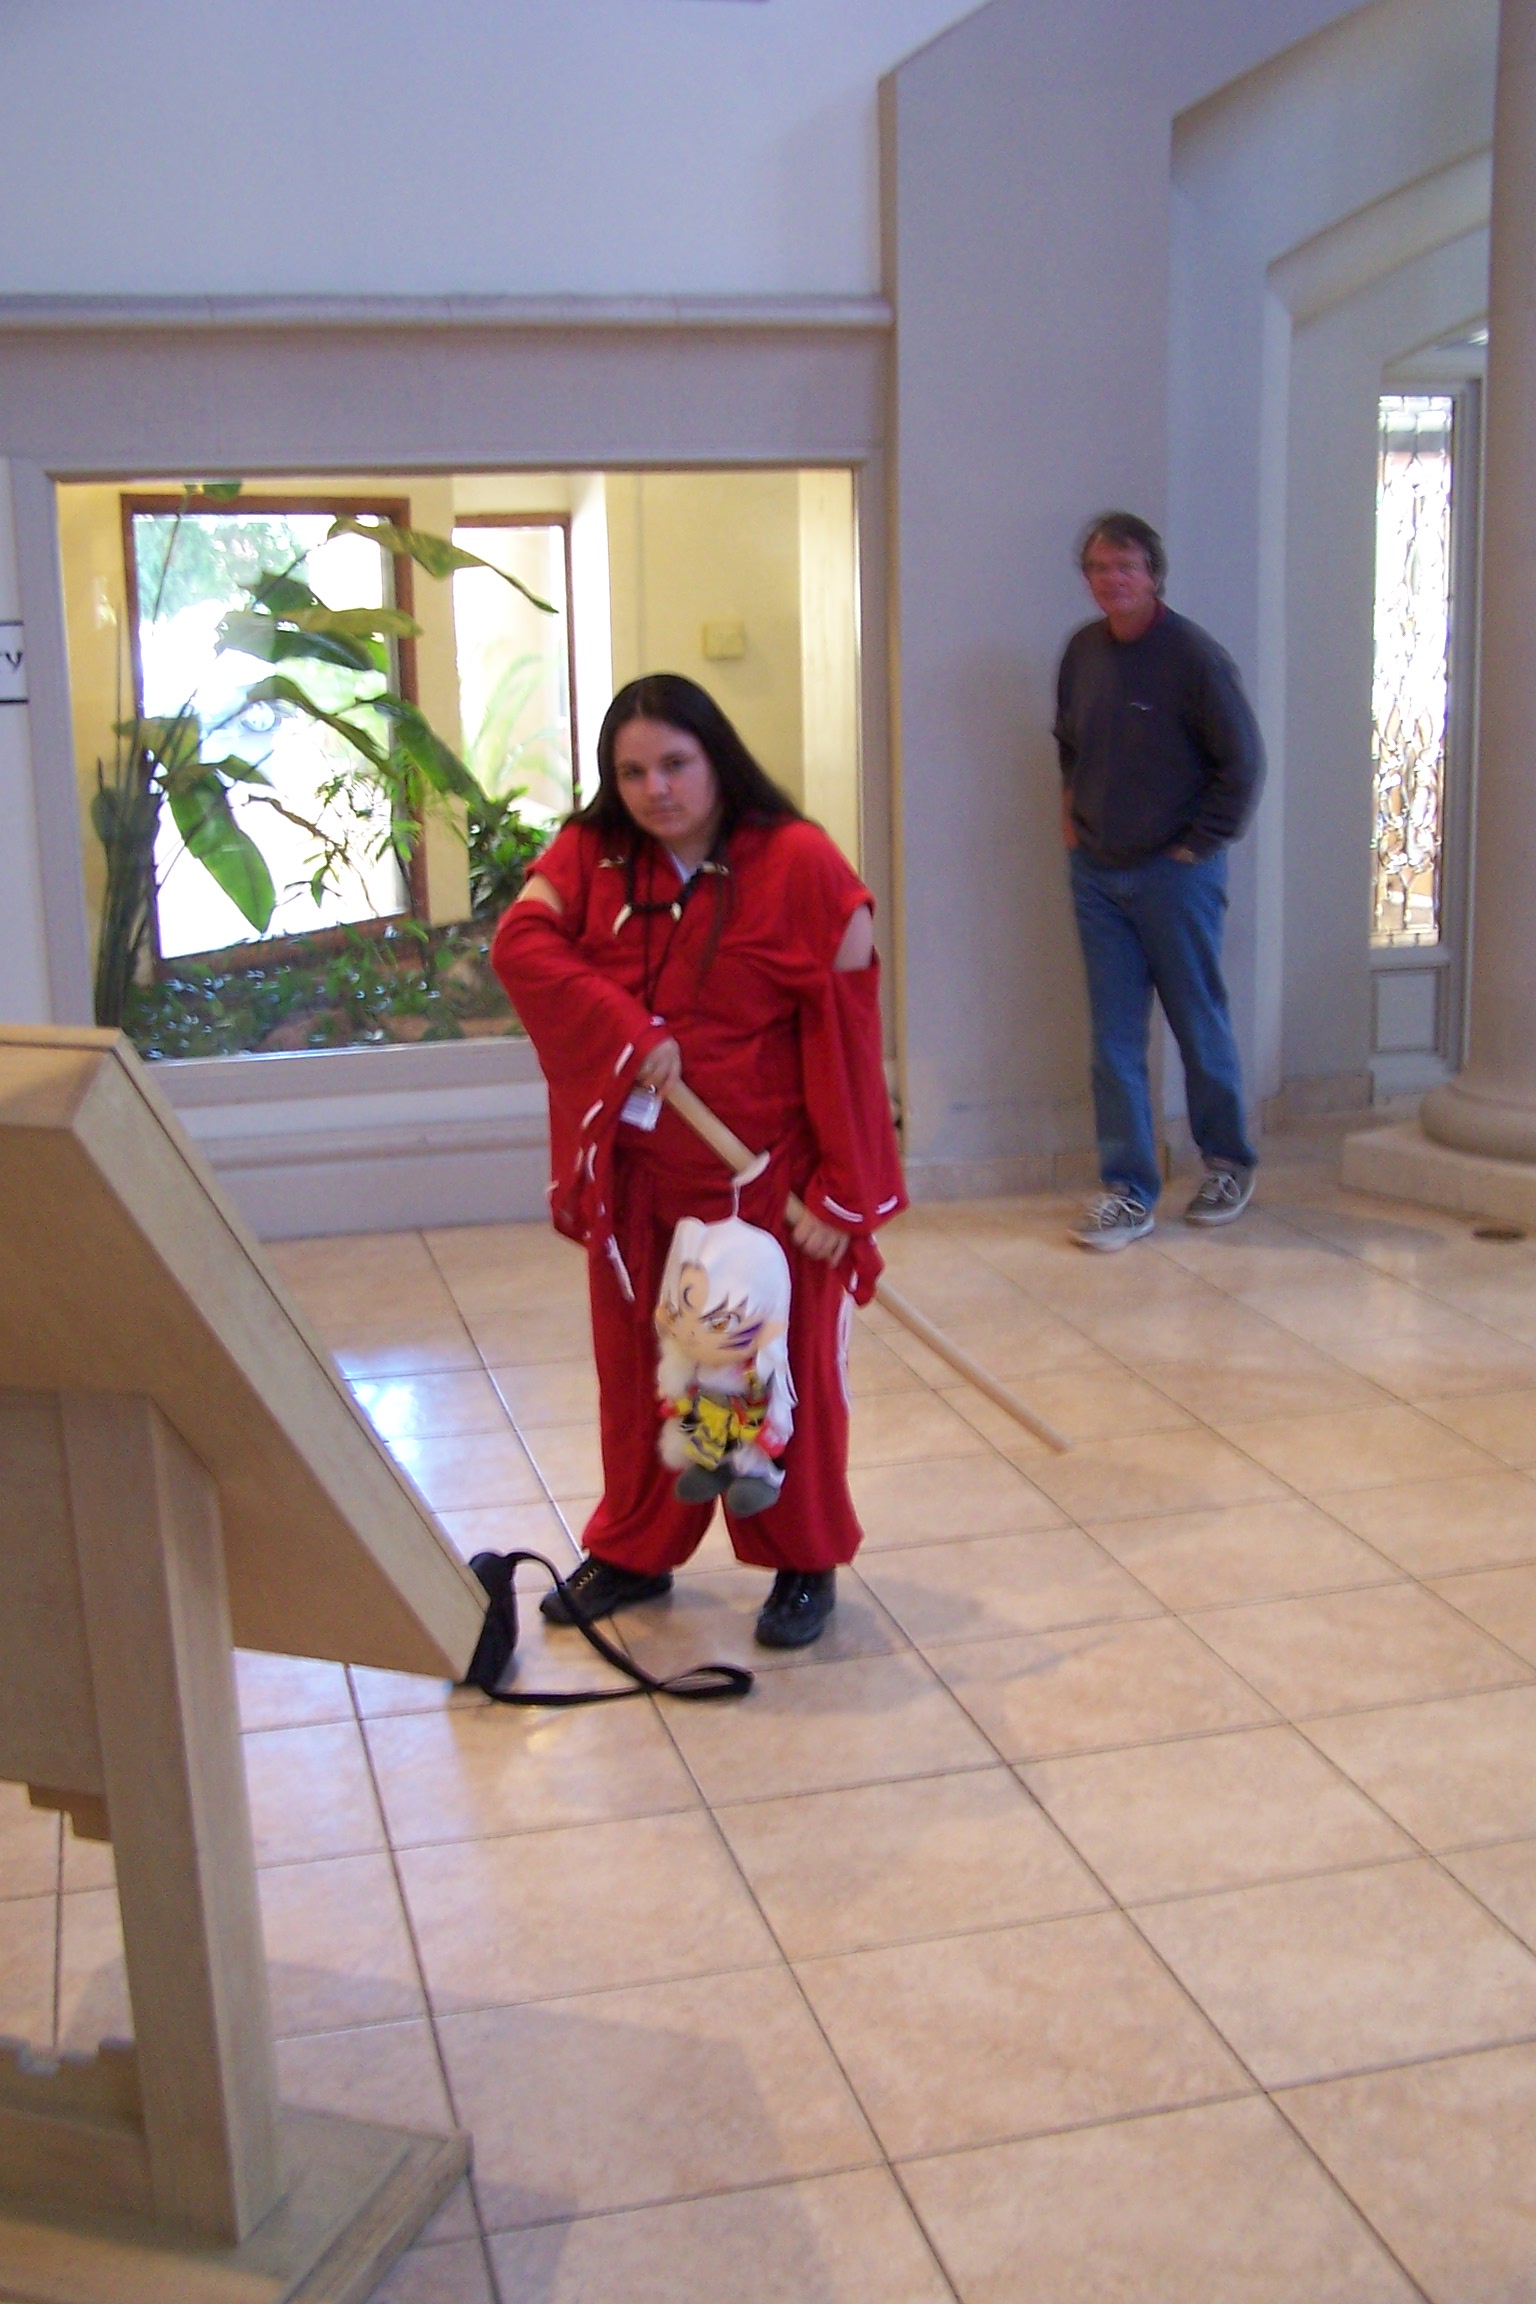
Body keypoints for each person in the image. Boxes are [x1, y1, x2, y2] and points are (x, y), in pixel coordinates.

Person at [492, 673, 905, 1648]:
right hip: (645, 1188)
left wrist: (841, 1193)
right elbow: (521, 944)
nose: (656, 790)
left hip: (769, 1185)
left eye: (675, 764)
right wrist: (625, 1031)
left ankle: (802, 1562)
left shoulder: (799, 862)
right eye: (632, 772)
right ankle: (635, 1552)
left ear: (717, 757)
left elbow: (848, 1036)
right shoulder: (590, 856)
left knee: (781, 1381)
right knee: (641, 1377)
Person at [1055, 511, 1264, 1250]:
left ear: (1153, 575)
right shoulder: (1083, 651)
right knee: (1113, 1042)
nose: (1111, 579)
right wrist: (1071, 820)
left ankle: (1227, 1164)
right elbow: (1069, 744)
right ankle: (1129, 1192)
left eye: (1126, 566)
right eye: (1099, 567)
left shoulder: (1195, 658)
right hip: (1097, 874)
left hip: (1176, 877)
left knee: (1197, 1022)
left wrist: (1196, 847)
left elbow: (1242, 765)